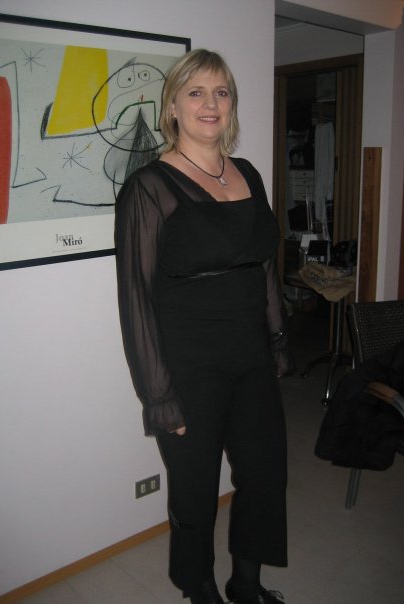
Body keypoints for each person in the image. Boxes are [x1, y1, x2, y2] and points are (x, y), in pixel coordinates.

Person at [115, 49, 289, 604]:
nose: (210, 103)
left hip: (251, 353)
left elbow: (263, 264)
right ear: (173, 105)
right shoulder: (148, 187)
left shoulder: (249, 175)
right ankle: (202, 591)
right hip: (188, 364)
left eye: (221, 92)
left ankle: (246, 583)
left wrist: (276, 337)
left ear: (231, 104)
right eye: (196, 92)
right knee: (194, 492)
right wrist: (159, 395)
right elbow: (136, 298)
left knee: (264, 475)